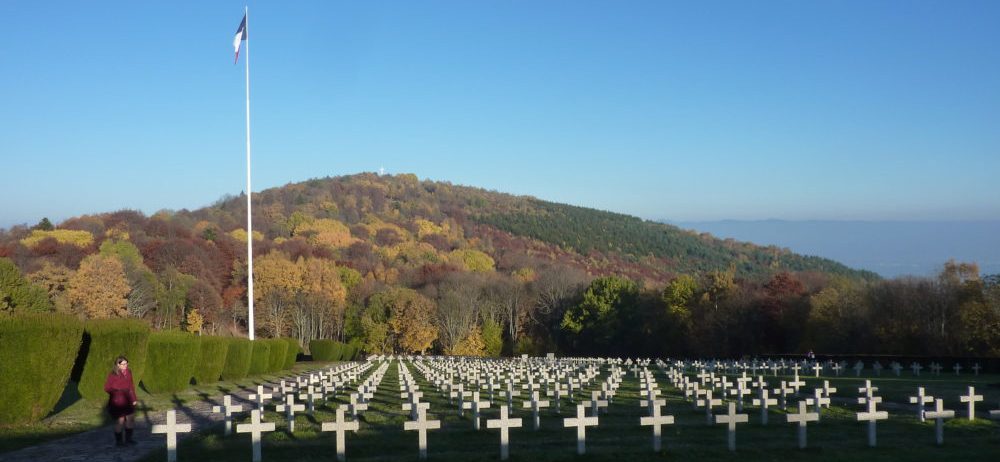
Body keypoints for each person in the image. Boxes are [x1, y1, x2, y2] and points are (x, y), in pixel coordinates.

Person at [104, 355, 138, 447]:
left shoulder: (129, 372)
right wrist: (117, 391)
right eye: (123, 364)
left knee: (130, 419)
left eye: (126, 363)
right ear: (118, 365)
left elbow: (131, 386)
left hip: (128, 398)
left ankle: (129, 439)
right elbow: (107, 388)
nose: (125, 365)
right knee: (120, 420)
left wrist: (134, 398)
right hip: (118, 400)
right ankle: (119, 442)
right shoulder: (113, 375)